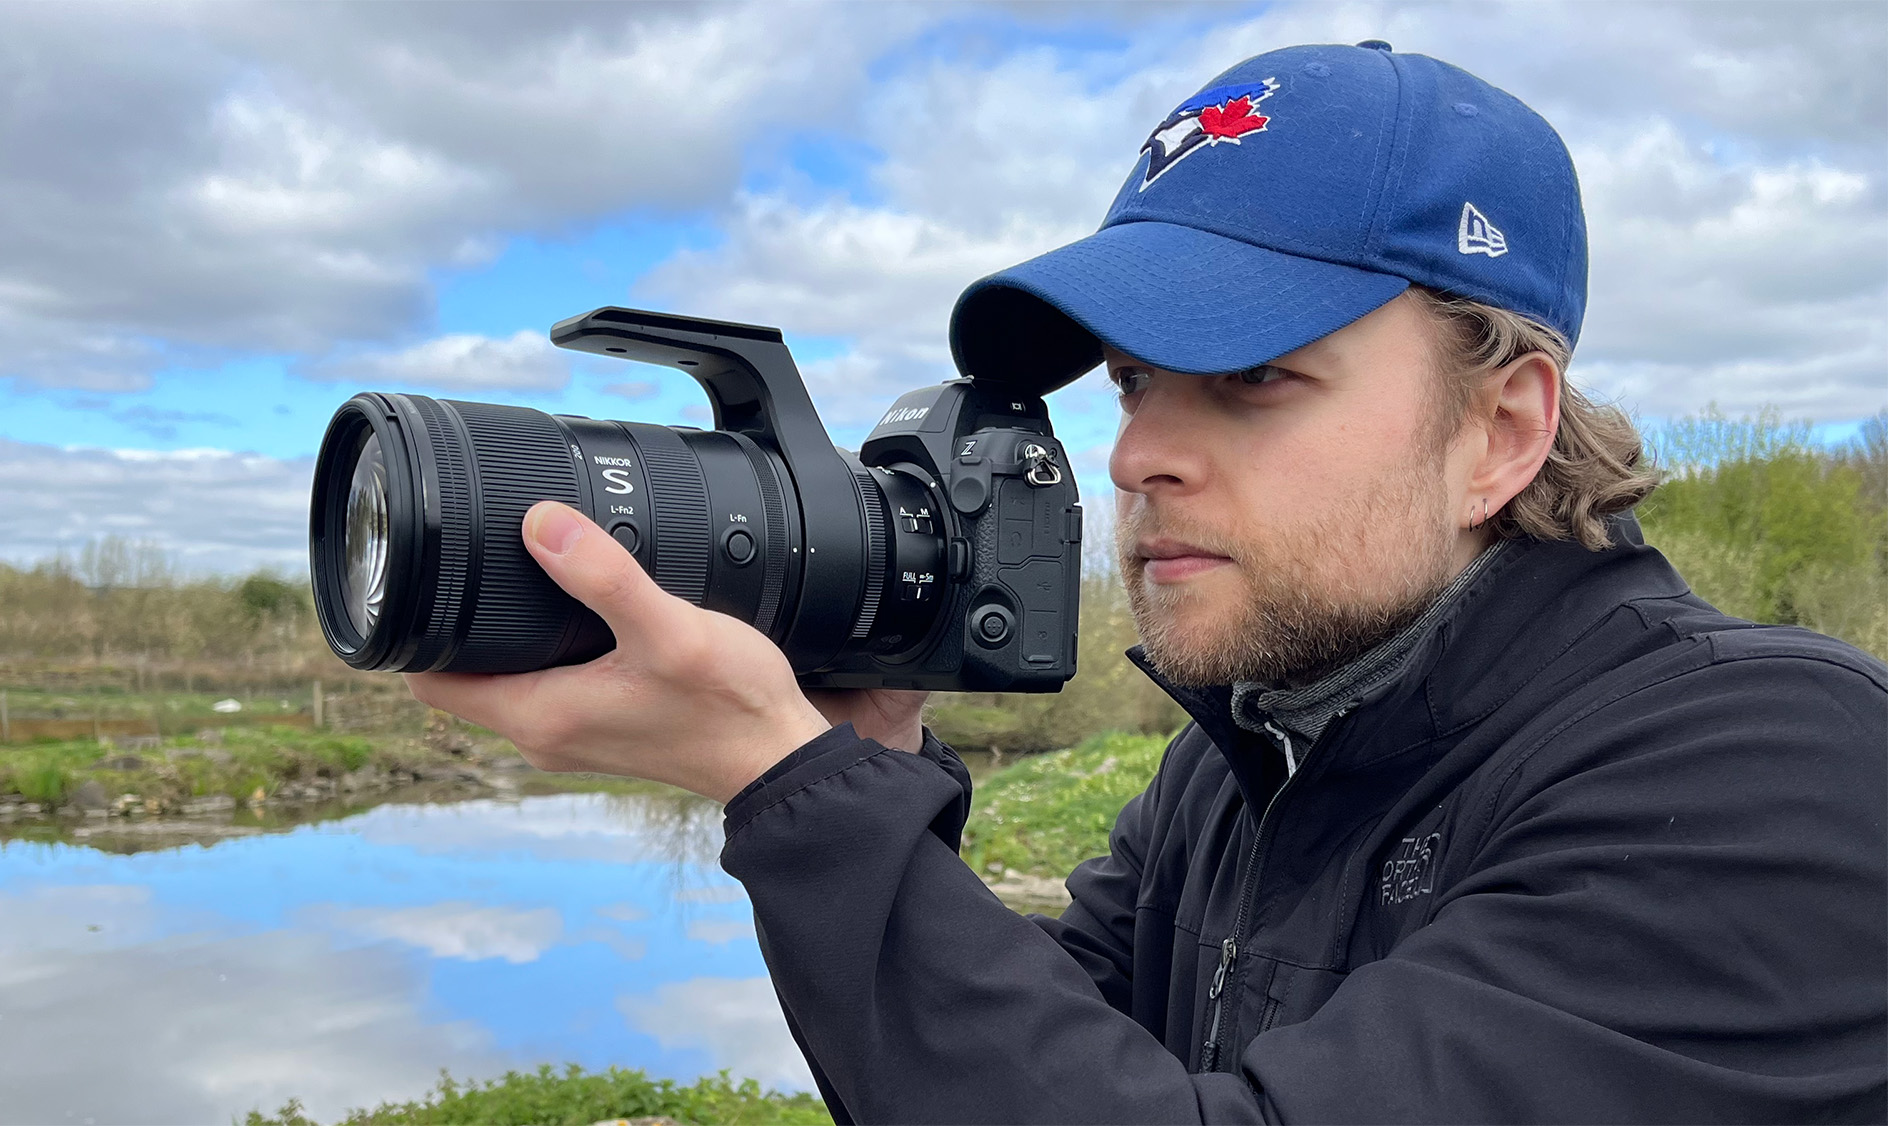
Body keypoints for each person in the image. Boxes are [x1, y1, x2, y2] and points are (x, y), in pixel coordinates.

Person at [408, 42, 1887, 1123]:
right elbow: (1036, 1068)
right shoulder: (1241, 759)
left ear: (1501, 427)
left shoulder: (1776, 766)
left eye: (1252, 378)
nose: (1137, 455)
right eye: (1133, 384)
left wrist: (782, 789)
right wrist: (863, 766)